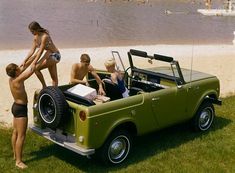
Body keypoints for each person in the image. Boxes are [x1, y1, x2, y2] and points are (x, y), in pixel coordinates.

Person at [6, 63, 35, 169]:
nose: (20, 68)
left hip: (15, 107)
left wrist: (36, 51)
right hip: (21, 109)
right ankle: (18, 161)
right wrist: (41, 56)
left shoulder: (12, 79)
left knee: (15, 132)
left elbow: (25, 65)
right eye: (18, 68)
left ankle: (15, 155)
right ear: (16, 71)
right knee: (21, 136)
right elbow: (32, 68)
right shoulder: (18, 80)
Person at [22, 21, 61, 88]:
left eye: (32, 31)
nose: (32, 33)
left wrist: (34, 63)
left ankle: (44, 86)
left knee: (36, 69)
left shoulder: (44, 36)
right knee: (54, 78)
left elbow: (40, 51)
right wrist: (24, 60)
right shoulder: (35, 37)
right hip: (49, 55)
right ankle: (54, 92)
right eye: (31, 32)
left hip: (55, 55)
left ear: (37, 29)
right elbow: (32, 50)